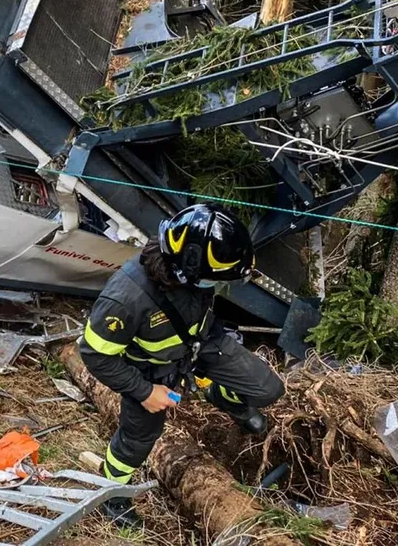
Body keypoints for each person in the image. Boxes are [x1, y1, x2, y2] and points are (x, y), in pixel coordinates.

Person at [80, 204, 285, 528]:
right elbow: (94, 354)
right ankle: (112, 494)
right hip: (148, 371)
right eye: (214, 282)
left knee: (268, 388)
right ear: (186, 271)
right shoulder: (126, 298)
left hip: (201, 343)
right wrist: (144, 391)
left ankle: (221, 397)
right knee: (137, 442)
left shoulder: (191, 268)